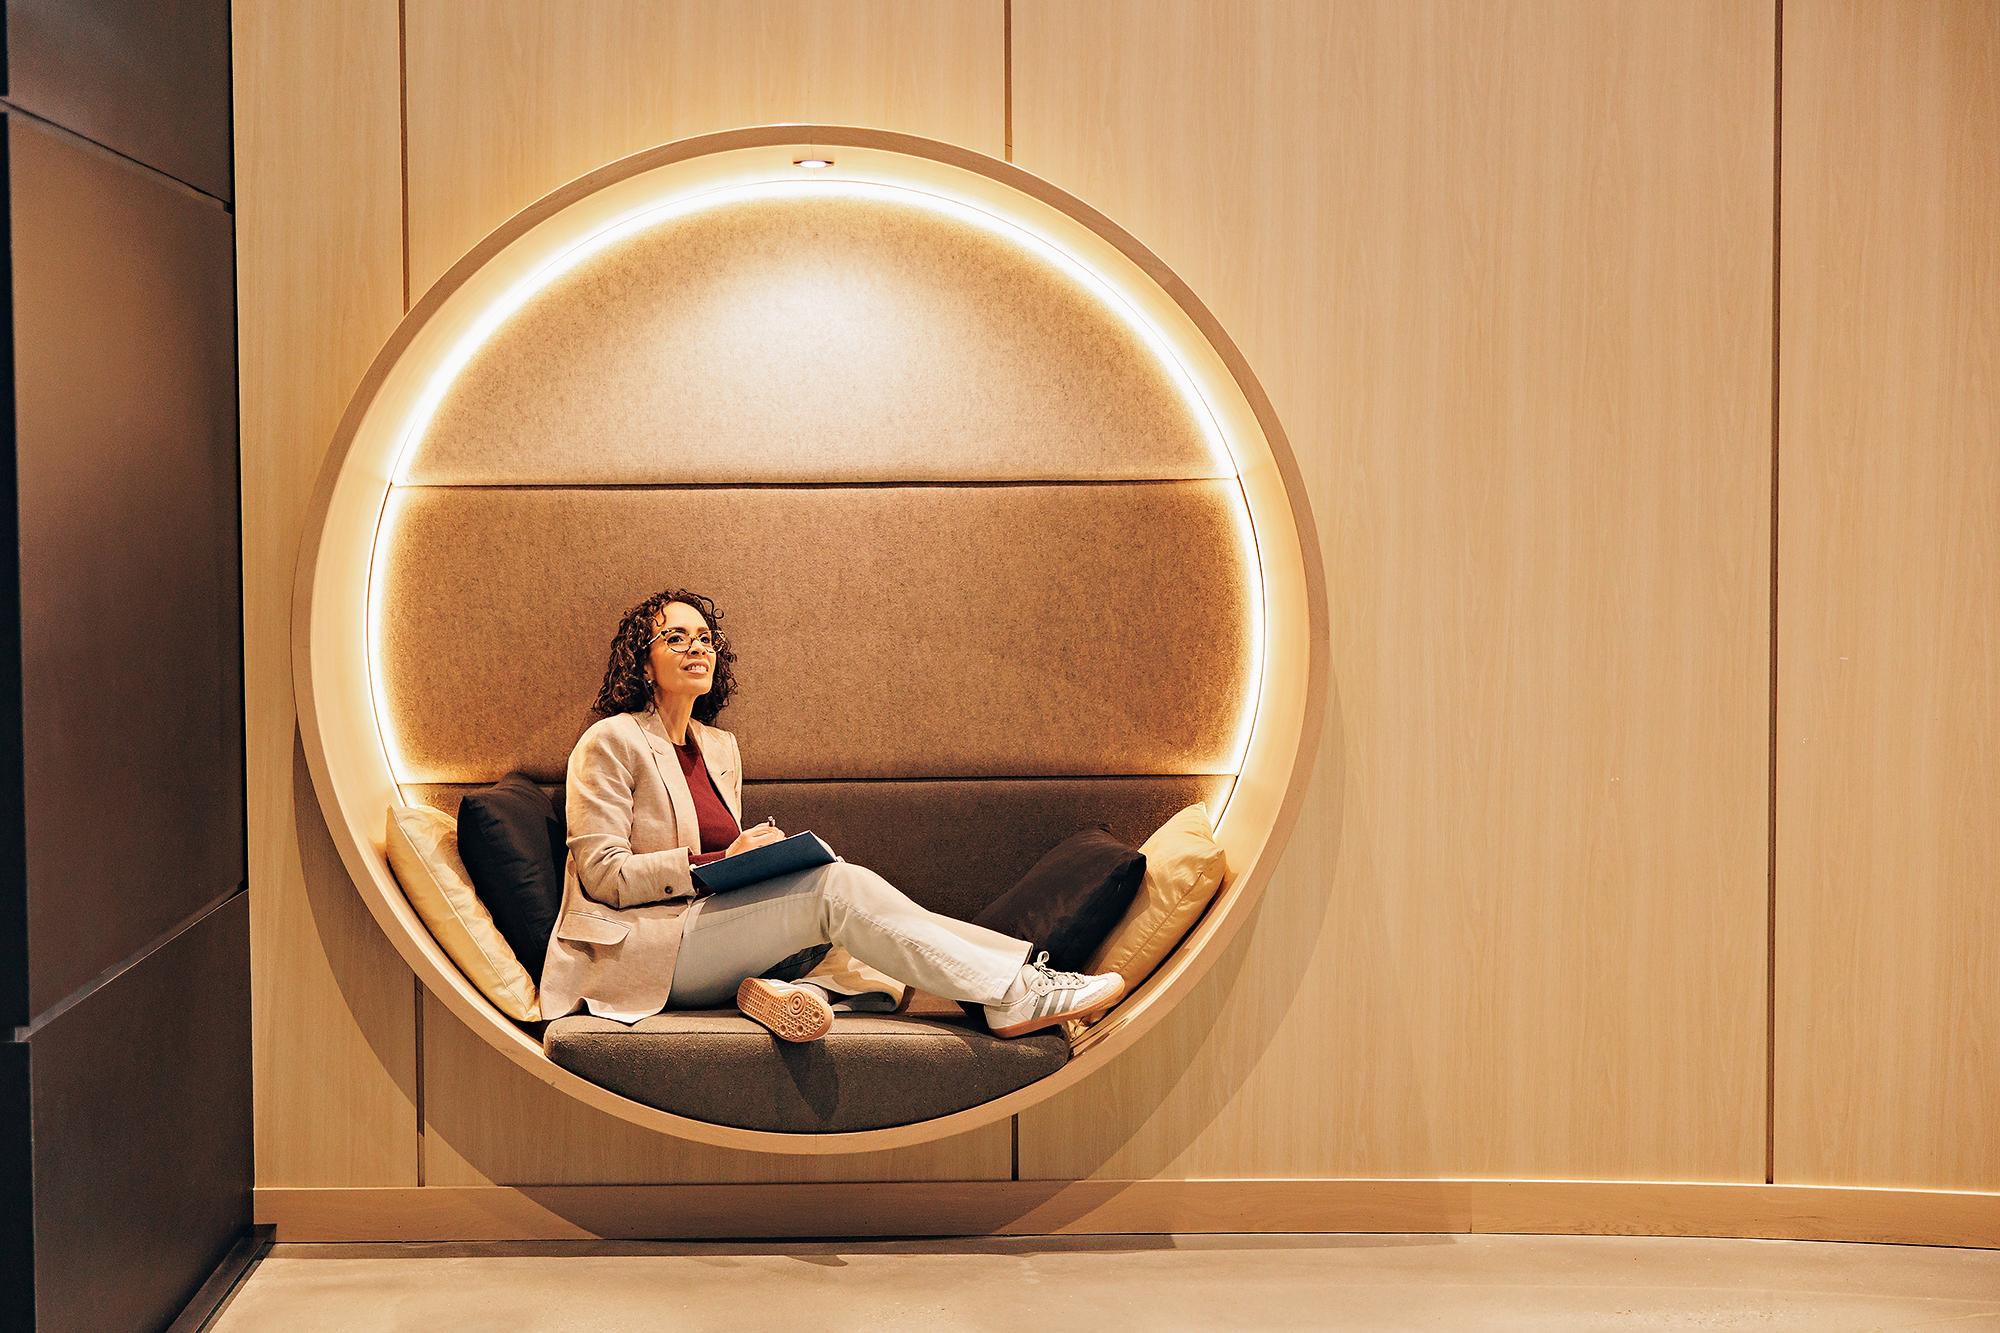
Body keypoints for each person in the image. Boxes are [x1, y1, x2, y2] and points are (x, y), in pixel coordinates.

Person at [537, 587, 1127, 1044]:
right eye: (676, 638)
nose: (697, 648)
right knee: (836, 890)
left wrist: (759, 860)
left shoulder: (718, 747)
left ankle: (799, 992)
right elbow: (604, 874)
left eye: (705, 638)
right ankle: (1014, 988)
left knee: (871, 933)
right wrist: (715, 862)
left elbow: (720, 861)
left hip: (705, 931)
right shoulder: (610, 741)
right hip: (648, 950)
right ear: (643, 664)